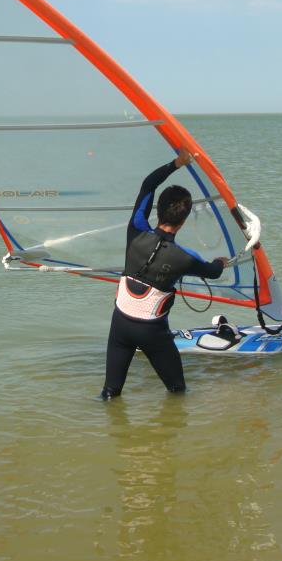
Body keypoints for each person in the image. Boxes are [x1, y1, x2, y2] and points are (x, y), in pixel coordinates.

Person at [101, 148, 228, 399]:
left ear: (157, 210)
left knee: (110, 392)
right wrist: (220, 262)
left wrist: (176, 163)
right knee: (177, 391)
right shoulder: (185, 258)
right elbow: (213, 272)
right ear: (183, 221)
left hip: (120, 323)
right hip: (152, 332)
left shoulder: (136, 230)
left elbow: (148, 184)